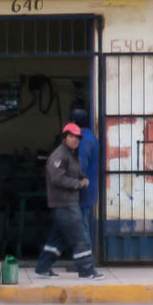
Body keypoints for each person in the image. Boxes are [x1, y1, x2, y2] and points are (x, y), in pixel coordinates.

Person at [34, 123, 105, 280]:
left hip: (67, 202)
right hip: (64, 203)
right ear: (65, 137)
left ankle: (42, 268)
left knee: (57, 239)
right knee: (80, 237)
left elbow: (76, 172)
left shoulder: (71, 155)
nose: (75, 140)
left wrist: (83, 178)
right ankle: (87, 271)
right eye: (71, 136)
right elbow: (57, 178)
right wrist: (77, 184)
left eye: (77, 137)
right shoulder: (60, 155)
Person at [70, 107, 99, 252]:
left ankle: (85, 258)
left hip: (83, 190)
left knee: (81, 225)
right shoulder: (91, 137)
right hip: (89, 188)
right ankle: (85, 257)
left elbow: (80, 167)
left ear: (74, 123)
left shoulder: (83, 141)